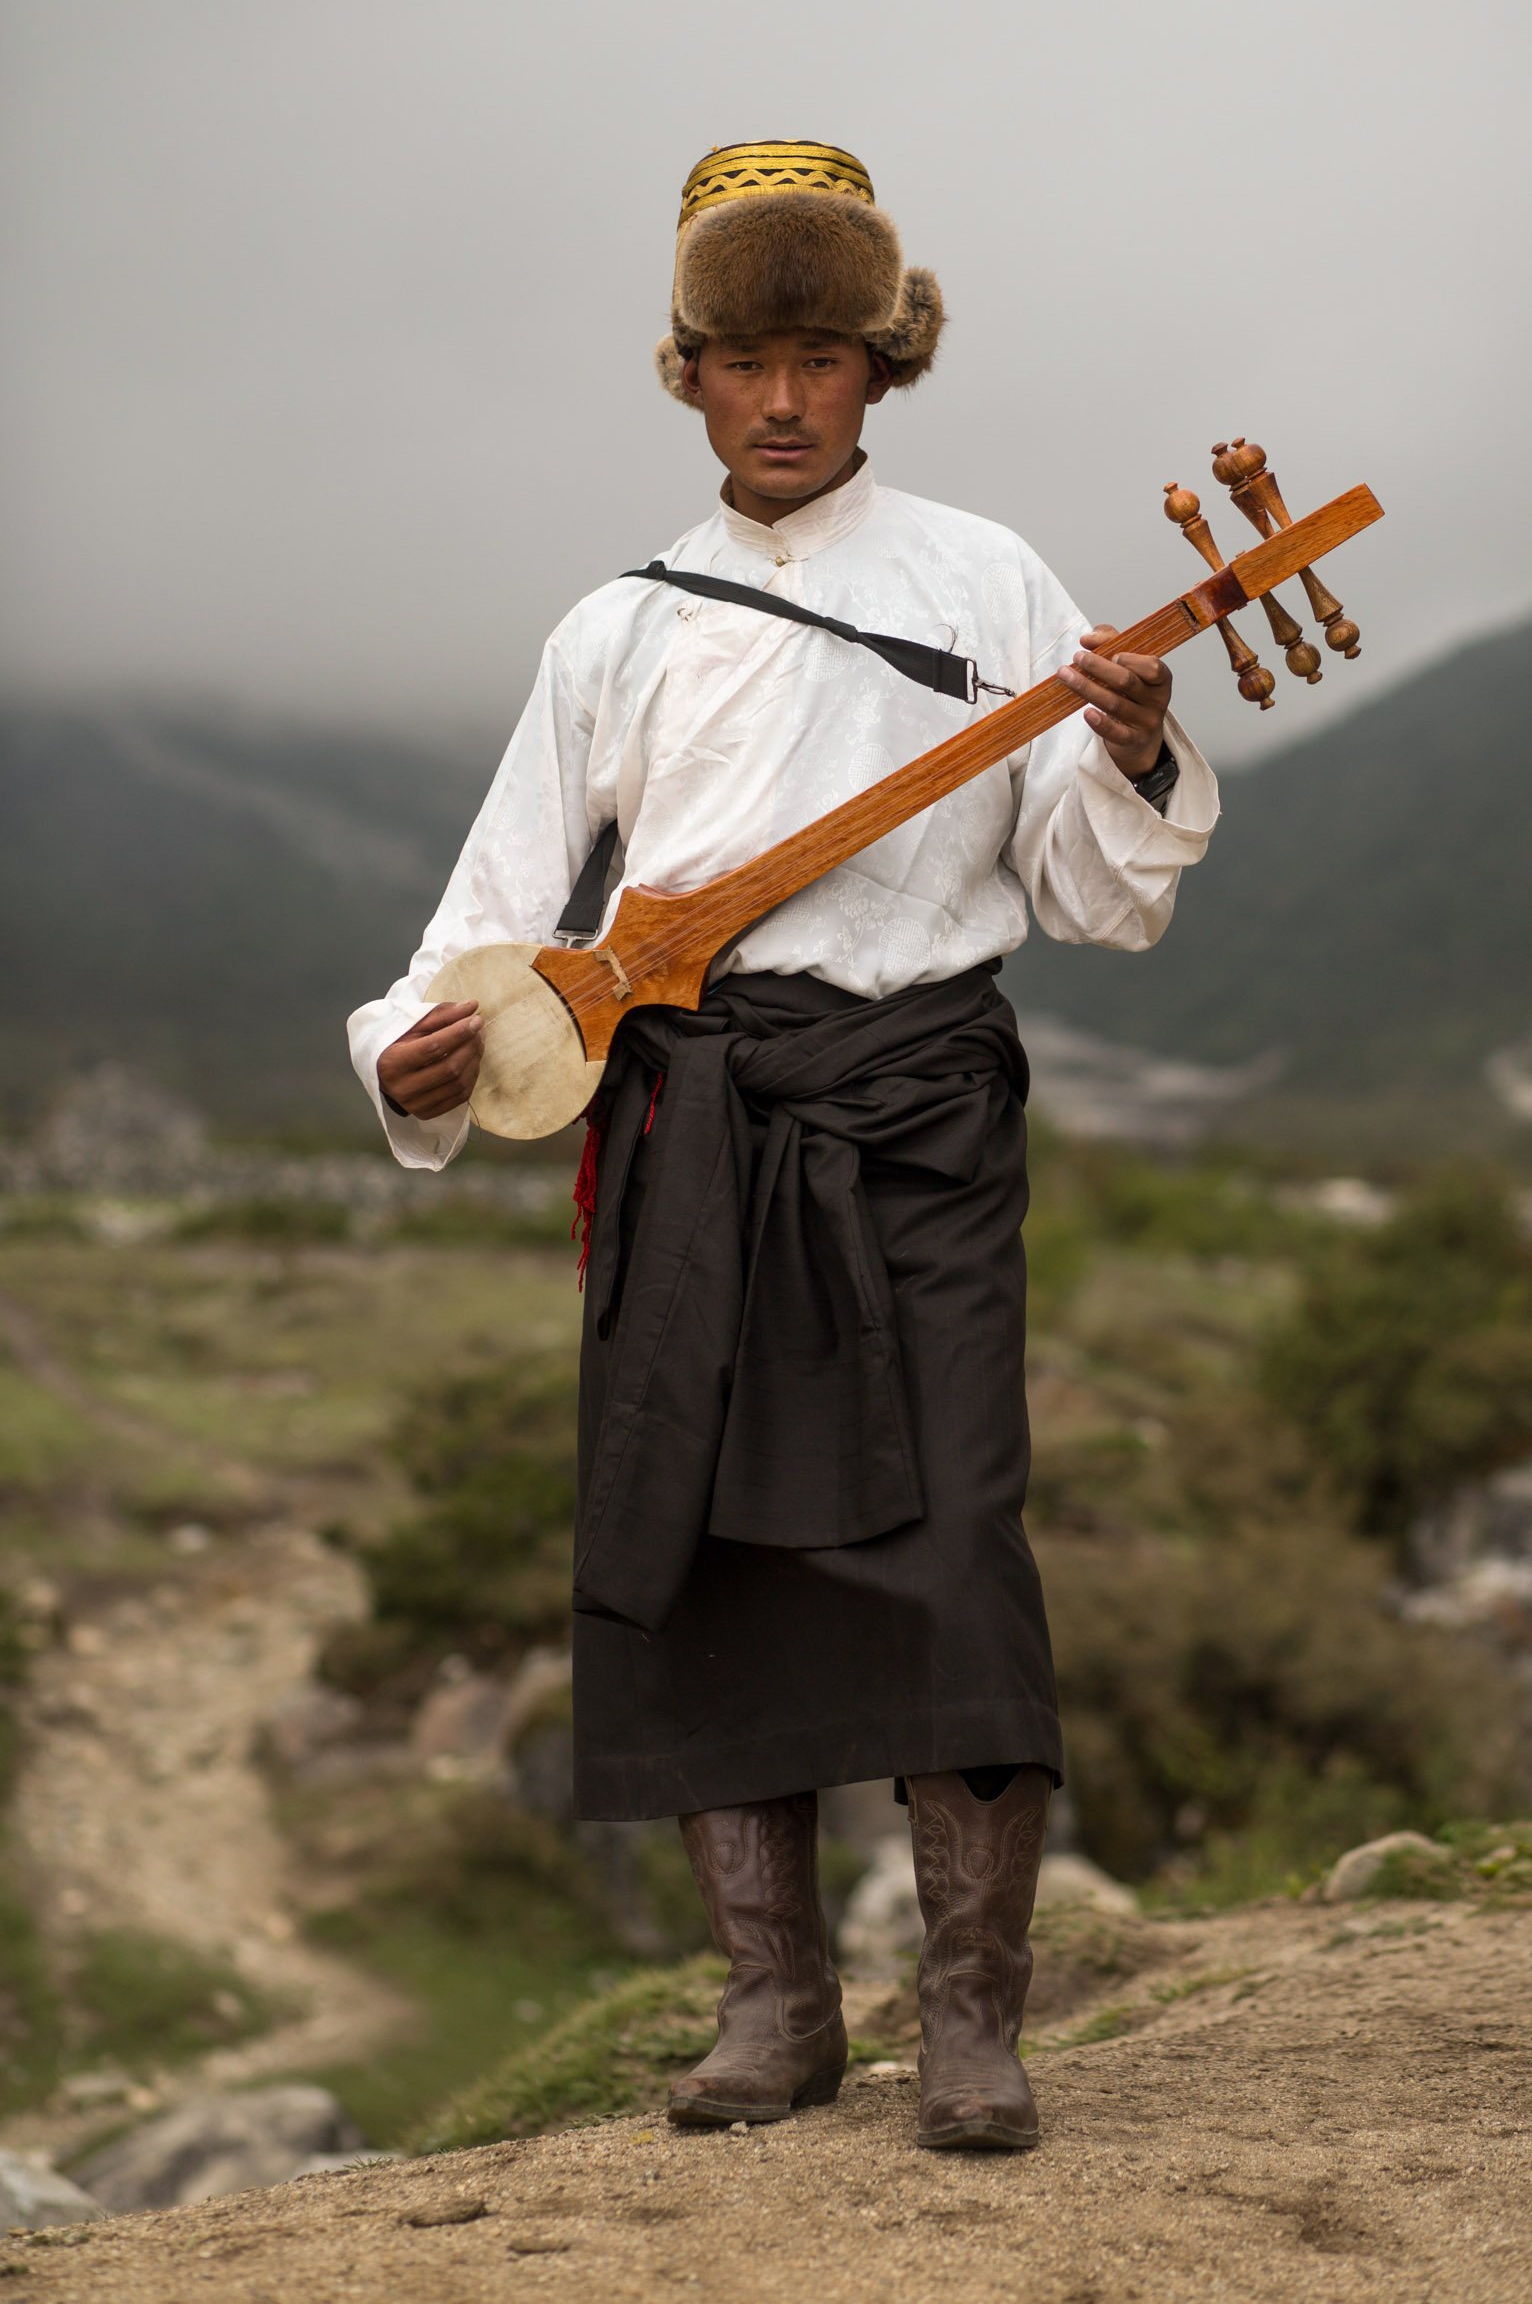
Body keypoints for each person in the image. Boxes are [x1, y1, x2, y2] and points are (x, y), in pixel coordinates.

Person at [348, 140, 1219, 2151]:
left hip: (920, 1114)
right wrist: (418, 1054)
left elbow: (1096, 894)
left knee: (959, 1545)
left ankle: (972, 2017)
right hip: (697, 1121)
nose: (782, 397)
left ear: (880, 367)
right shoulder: (614, 629)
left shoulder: (993, 581)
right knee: (702, 1544)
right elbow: (487, 919)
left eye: (822, 355)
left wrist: (1134, 744)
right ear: (691, 373)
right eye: (743, 357)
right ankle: (776, 2008)